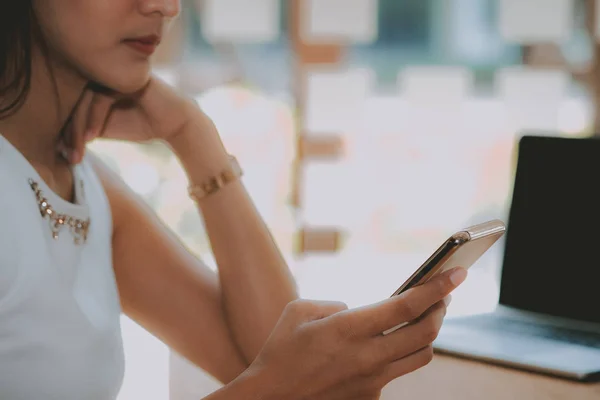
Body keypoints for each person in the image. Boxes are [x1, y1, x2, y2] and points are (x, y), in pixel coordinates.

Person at [0, 1, 468, 399]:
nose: (166, 6)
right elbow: (277, 379)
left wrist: (193, 136)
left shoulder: (84, 182)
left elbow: (266, 350)